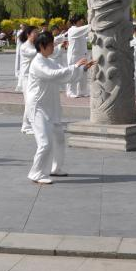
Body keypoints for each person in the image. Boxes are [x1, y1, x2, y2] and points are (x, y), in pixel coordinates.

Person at [25, 30, 94, 184]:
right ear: (41, 46)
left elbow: (63, 76)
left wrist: (82, 69)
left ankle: (55, 168)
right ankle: (36, 173)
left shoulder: (49, 60)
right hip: (38, 107)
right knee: (45, 142)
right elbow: (53, 74)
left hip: (51, 106)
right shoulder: (37, 63)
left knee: (59, 138)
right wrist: (75, 66)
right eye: (50, 45)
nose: (53, 47)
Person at [63, 15, 91, 98]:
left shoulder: (79, 31)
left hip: (82, 55)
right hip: (74, 56)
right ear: (76, 21)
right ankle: (70, 91)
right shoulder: (72, 30)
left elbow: (83, 39)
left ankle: (82, 91)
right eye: (80, 20)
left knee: (83, 74)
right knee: (73, 73)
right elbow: (86, 28)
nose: (82, 21)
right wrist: (93, 23)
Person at [18, 26, 39, 133]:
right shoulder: (24, 47)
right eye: (35, 32)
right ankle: (25, 126)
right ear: (28, 34)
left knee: (34, 101)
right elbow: (34, 53)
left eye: (37, 32)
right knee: (29, 102)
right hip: (26, 78)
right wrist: (44, 45)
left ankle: (33, 124)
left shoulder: (34, 45)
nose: (37, 34)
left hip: (34, 77)